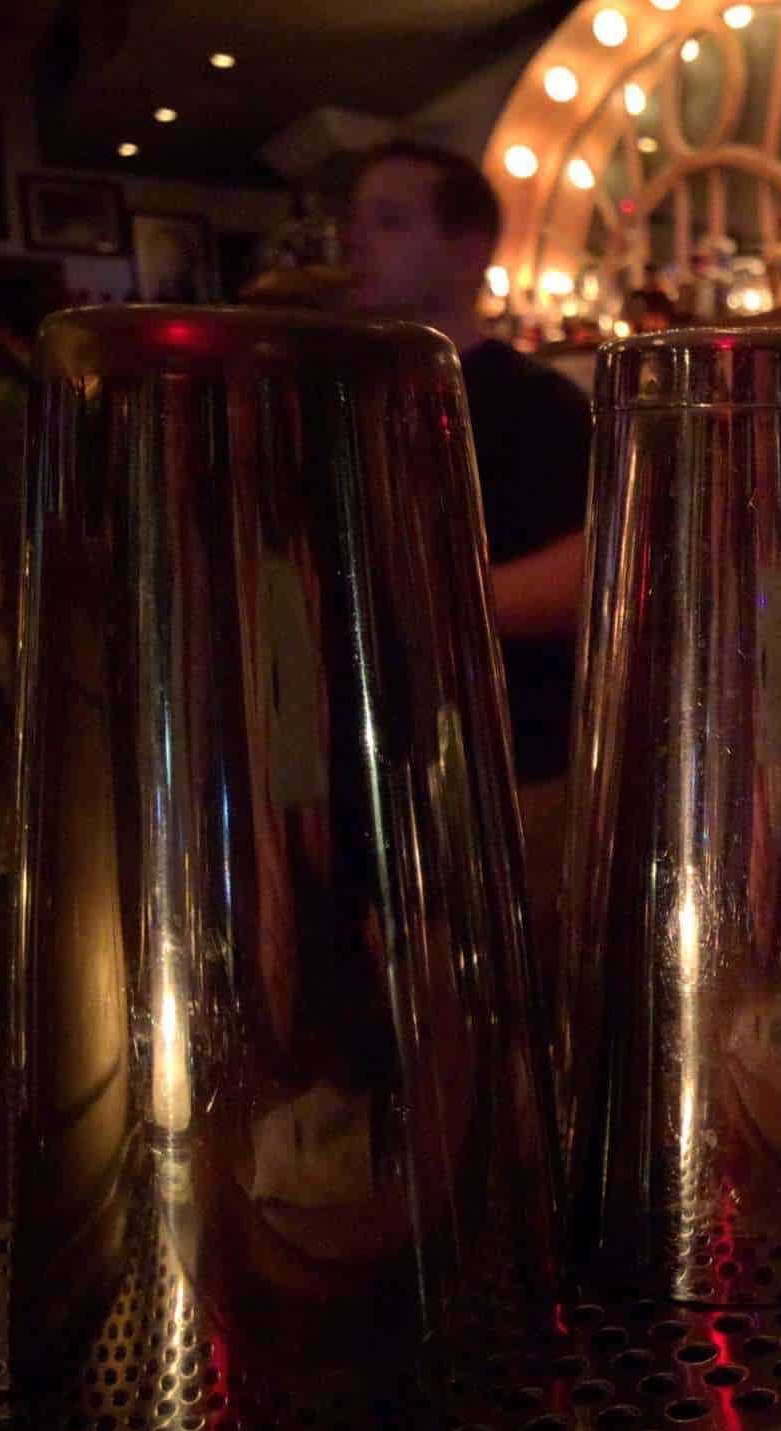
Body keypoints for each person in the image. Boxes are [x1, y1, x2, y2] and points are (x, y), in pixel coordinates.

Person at [341, 140, 589, 959]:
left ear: (469, 248)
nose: (355, 240)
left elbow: (595, 571)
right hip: (372, 779)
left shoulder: (536, 403)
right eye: (355, 221)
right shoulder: (351, 399)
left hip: (513, 782)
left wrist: (397, 601)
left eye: (389, 221)